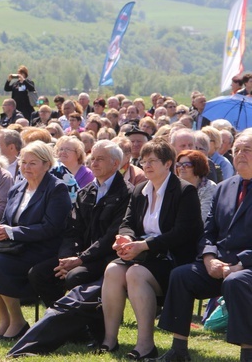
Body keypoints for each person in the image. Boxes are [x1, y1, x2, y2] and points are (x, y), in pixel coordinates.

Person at [99, 140, 203, 359]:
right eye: (143, 161)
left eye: (152, 161)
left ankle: (145, 344)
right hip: (143, 253)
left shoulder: (185, 192)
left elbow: (181, 233)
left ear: (168, 164)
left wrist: (143, 246)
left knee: (135, 273)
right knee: (112, 270)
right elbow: (127, 222)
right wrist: (125, 238)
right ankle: (109, 340)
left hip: (172, 258)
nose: (146, 165)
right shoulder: (139, 190)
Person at [156, 132, 252, 362]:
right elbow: (208, 231)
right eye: (237, 149)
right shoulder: (224, 188)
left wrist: (240, 264)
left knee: (235, 282)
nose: (240, 154)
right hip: (219, 263)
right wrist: (209, 257)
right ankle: (178, 349)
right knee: (181, 275)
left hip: (245, 267)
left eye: (247, 149)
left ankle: (248, 353)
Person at [0, 141, 71, 340]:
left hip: (42, 249)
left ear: (47, 165)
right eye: (24, 163)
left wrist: (13, 232)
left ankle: (18, 321)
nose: (26, 167)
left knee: (0, 266)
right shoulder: (17, 188)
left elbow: (51, 227)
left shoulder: (56, 189)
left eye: (33, 163)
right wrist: (0, 231)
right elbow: (6, 220)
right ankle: (5, 320)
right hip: (14, 247)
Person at [28, 140, 133, 308]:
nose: (94, 163)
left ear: (115, 163)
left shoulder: (127, 193)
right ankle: (61, 320)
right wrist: (65, 258)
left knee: (75, 277)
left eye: (100, 159)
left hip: (106, 257)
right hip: (80, 254)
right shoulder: (85, 192)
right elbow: (72, 230)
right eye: (92, 158)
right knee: (39, 273)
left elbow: (111, 237)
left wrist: (79, 260)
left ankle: (84, 322)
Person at [175, 150, 217, 223]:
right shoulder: (175, 187)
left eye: (187, 165)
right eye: (179, 164)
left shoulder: (209, 187)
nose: (181, 168)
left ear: (198, 166)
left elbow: (204, 218)